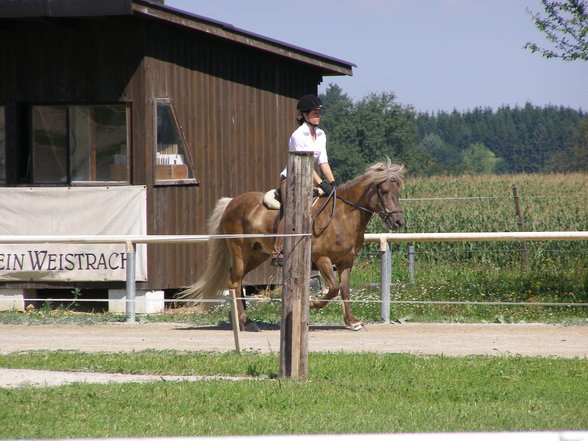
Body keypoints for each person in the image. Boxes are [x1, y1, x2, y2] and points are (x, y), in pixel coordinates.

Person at [270, 94, 338, 267]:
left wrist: (333, 182)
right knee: (292, 211)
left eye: (319, 113)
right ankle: (277, 252)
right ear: (305, 115)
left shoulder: (321, 134)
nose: (318, 116)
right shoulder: (298, 136)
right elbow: (306, 164)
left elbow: (323, 162)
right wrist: (321, 184)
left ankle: (316, 251)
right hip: (292, 179)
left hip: (309, 179)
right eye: (315, 113)